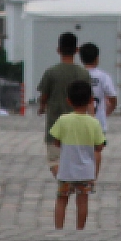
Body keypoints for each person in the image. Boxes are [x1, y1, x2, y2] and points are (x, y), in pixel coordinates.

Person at [50, 79, 106, 229]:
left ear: (68, 100)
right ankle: (80, 229)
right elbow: (100, 146)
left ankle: (59, 228)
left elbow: (55, 141)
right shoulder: (94, 123)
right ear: (90, 100)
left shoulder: (63, 120)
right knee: (82, 200)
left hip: (66, 169)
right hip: (86, 171)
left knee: (62, 199)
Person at [36, 31, 93, 175]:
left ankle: (64, 182)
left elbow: (44, 95)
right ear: (76, 50)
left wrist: (42, 106)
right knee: (75, 160)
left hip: (55, 125)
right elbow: (90, 99)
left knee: (55, 161)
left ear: (58, 50)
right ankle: (72, 182)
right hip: (78, 126)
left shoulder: (51, 72)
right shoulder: (84, 74)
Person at [79, 42, 118, 131]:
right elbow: (113, 99)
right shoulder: (104, 76)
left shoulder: (78, 75)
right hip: (98, 123)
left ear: (81, 59)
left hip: (80, 123)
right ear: (97, 58)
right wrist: (106, 112)